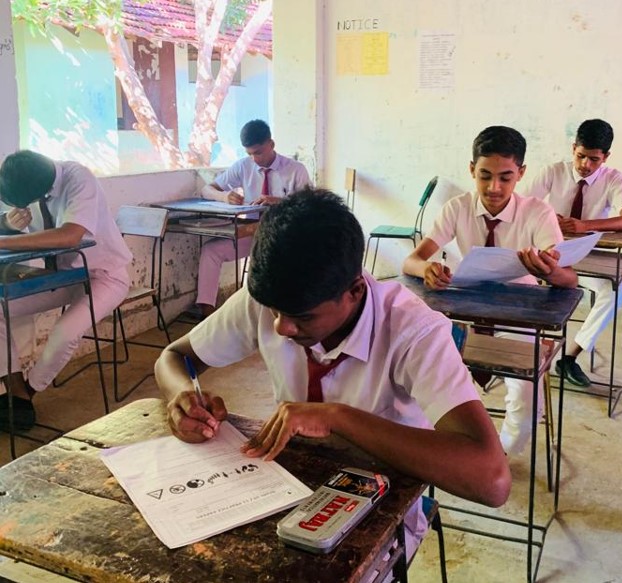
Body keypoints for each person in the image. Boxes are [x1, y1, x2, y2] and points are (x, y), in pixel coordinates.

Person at [155, 188, 510, 560]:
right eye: (274, 311)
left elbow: (492, 479)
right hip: (286, 489)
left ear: (355, 291)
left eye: (302, 317)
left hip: (380, 516)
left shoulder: (412, 331)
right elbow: (173, 357)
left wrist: (338, 418)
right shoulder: (278, 298)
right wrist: (182, 396)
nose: (280, 327)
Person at [403, 126, 578, 456]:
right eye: (484, 176)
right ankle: (452, 447)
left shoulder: (537, 213)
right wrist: (426, 269)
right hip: (465, 311)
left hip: (520, 315)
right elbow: (412, 260)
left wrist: (548, 270)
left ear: (521, 174)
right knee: (425, 375)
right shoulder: (457, 208)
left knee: (526, 398)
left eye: (505, 177)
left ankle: (500, 455)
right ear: (472, 170)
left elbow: (569, 279)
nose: (494, 187)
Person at [0, 150, 132, 431]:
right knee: (0, 307)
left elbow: (70, 235)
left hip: (105, 276)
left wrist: (2, 242)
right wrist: (7, 224)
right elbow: (11, 221)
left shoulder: (79, 177)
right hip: (64, 278)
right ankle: (15, 391)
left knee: (65, 332)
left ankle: (28, 392)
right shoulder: (25, 179)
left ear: (41, 190)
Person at [522, 119, 622, 387]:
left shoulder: (614, 179)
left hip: (587, 257)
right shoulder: (553, 172)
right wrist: (547, 217)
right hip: (551, 256)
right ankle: (529, 352)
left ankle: (570, 356)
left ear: (606, 157)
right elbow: (523, 205)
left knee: (619, 289)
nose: (585, 164)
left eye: (594, 159)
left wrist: (585, 226)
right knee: (522, 278)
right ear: (573, 148)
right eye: (581, 156)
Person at [197, 119, 311, 317]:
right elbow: (207, 190)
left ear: (271, 144)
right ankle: (207, 312)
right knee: (211, 250)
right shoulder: (244, 166)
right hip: (252, 232)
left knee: (275, 260)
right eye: (249, 153)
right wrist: (224, 196)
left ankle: (279, 311)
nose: (254, 158)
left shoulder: (295, 170)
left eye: (258, 152)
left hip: (284, 236)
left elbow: (309, 207)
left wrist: (279, 201)